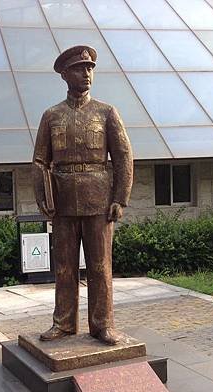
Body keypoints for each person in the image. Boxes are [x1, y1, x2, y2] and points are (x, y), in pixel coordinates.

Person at [32, 45, 133, 345]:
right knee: (64, 267)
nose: (86, 74)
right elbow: (39, 160)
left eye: (89, 68)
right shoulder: (52, 116)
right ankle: (63, 323)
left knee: (100, 266)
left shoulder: (106, 112)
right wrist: (44, 198)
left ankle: (103, 324)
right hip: (62, 201)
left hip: (98, 200)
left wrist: (120, 197)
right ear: (65, 75)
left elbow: (123, 155)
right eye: (79, 69)